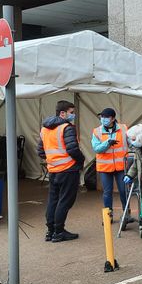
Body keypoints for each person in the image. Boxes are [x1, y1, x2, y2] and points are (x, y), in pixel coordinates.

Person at [37, 100, 85, 242]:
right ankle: (59, 231)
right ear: (62, 113)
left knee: (53, 200)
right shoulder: (66, 128)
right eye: (72, 113)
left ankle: (50, 231)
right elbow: (73, 150)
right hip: (68, 170)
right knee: (65, 201)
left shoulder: (45, 129)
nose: (73, 115)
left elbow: (40, 151)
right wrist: (81, 160)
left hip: (53, 170)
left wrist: (53, 160)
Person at [91, 108, 133, 227]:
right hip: (105, 168)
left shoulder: (124, 128)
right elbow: (96, 148)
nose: (103, 119)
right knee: (107, 193)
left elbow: (131, 142)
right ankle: (108, 216)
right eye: (102, 117)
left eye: (106, 117)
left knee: (123, 191)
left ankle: (127, 214)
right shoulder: (97, 131)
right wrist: (108, 142)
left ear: (113, 118)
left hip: (121, 167)